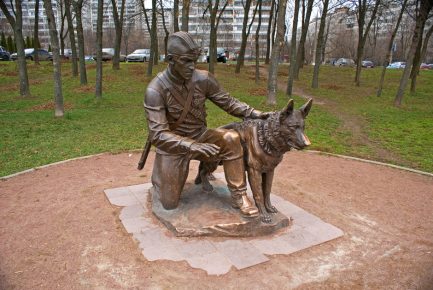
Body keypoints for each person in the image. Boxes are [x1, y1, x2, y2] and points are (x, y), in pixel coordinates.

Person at [144, 31, 269, 217]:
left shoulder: (203, 79)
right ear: (170, 60)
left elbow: (228, 102)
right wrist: (193, 146)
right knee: (169, 204)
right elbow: (158, 134)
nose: (192, 66)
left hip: (200, 135)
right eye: (186, 61)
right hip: (172, 147)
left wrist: (253, 113)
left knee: (230, 138)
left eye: (194, 60)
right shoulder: (155, 89)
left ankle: (239, 195)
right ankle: (160, 179)